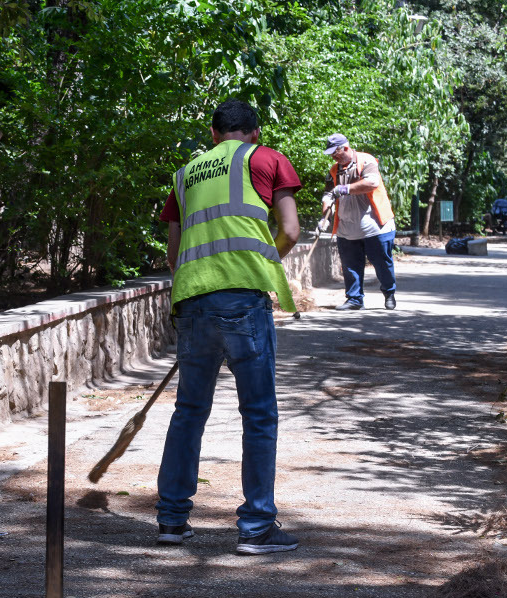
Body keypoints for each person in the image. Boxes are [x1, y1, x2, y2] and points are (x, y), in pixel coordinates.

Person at [156, 99, 301, 554]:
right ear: (254, 132)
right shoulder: (267, 159)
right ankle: (256, 527)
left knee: (188, 412)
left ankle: (172, 520)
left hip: (194, 301)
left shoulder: (185, 174)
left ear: (214, 134)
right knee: (258, 414)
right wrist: (261, 264)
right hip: (243, 300)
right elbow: (291, 230)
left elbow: (173, 254)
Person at [320, 134, 397, 311]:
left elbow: (372, 182)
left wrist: (345, 188)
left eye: (336, 152)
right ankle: (354, 299)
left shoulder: (366, 160)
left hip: (376, 226)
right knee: (349, 265)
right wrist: (325, 218)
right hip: (347, 227)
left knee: (382, 263)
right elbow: (328, 196)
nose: (334, 156)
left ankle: (389, 293)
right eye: (331, 153)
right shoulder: (334, 171)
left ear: (345, 148)